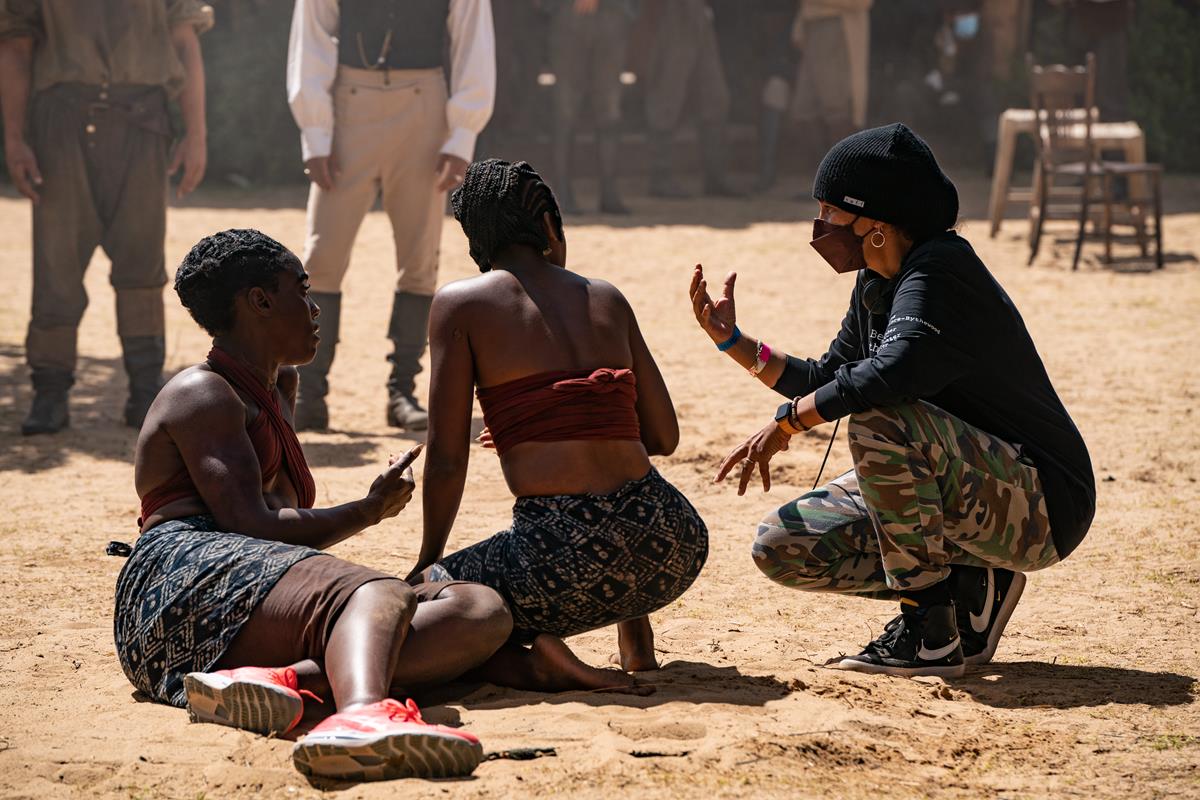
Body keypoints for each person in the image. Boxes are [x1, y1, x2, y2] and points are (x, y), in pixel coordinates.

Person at [689, 124, 1095, 678]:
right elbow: (829, 376)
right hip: (974, 484)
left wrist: (787, 424)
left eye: (831, 211)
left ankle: (929, 631)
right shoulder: (878, 281)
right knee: (784, 544)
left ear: (875, 224)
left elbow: (892, 373)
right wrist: (735, 344)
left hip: (1044, 504)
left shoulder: (942, 271)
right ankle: (970, 587)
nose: (820, 226)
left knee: (881, 418)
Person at [113, 230, 512, 781]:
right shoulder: (202, 393)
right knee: (381, 594)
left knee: (475, 611)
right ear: (259, 301)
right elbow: (247, 525)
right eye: (301, 290)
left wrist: (365, 513)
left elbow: (266, 536)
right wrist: (367, 510)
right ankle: (362, 715)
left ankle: (282, 682)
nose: (315, 306)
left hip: (246, 595)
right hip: (177, 590)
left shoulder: (277, 388)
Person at [408, 159, 709, 690]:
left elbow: (448, 456)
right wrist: (571, 418)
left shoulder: (462, 304)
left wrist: (428, 563)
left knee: (422, 606)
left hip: (561, 566)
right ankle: (637, 642)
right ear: (550, 226)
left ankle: (538, 665)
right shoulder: (606, 297)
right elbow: (663, 438)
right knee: (616, 488)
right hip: (674, 544)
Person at [0, 0, 211, 435]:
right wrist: (16, 138)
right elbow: (17, 47)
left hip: (142, 123)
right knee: (55, 265)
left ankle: (145, 388)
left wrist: (196, 134)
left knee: (142, 260)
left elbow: (185, 43)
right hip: (60, 124)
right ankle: (50, 391)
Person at [286, 0, 496, 432]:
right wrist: (315, 132)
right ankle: (310, 392)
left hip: (424, 103)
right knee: (322, 254)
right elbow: (314, 31)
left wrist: (463, 134)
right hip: (349, 103)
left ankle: (403, 390)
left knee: (419, 257)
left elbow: (472, 37)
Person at [546, 0, 638, 215]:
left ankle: (609, 191)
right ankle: (562, 192)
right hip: (568, 15)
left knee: (609, 110)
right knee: (566, 110)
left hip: (612, 16)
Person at [642, 0, 739, 198]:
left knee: (715, 97)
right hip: (671, 14)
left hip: (699, 13)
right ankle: (660, 178)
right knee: (667, 96)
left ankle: (715, 176)